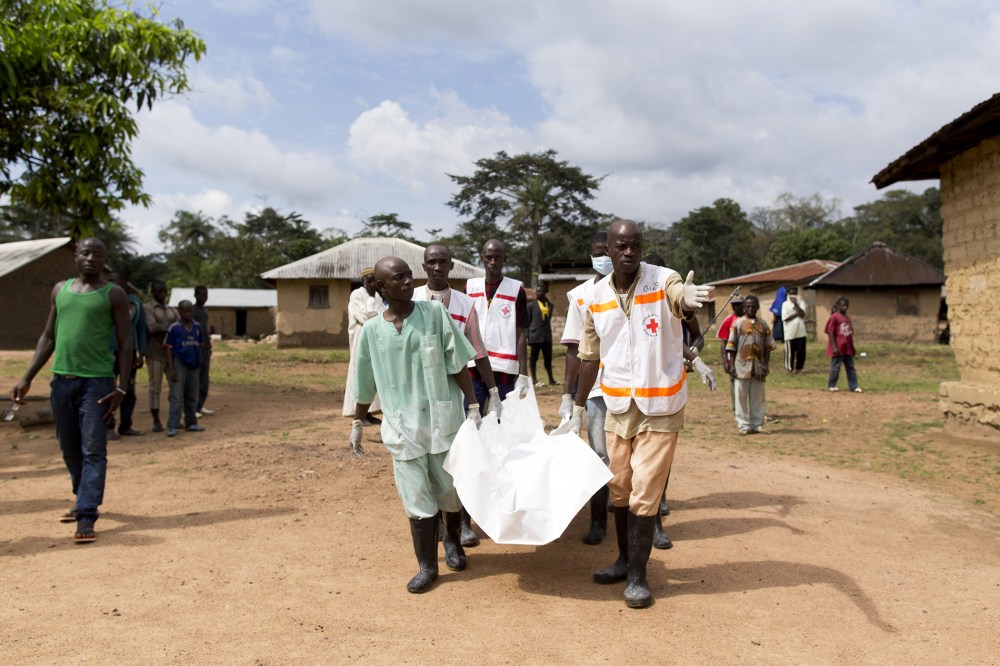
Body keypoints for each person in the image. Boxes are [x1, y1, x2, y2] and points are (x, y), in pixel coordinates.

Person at [561, 219, 713, 609]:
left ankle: (638, 577)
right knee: (620, 487)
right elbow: (589, 357)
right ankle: (623, 560)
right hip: (617, 405)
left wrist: (689, 297)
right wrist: (576, 406)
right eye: (621, 247)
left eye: (636, 246)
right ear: (607, 251)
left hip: (661, 405)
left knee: (645, 490)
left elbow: (679, 296)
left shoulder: (663, 279)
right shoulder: (594, 297)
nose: (629, 253)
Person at [349, 256, 488, 594]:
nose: (408, 282)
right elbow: (364, 380)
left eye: (410, 276)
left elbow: (456, 361)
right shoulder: (371, 331)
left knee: (449, 493)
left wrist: (473, 404)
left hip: (442, 421)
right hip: (400, 427)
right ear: (382, 287)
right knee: (416, 499)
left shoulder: (434, 314)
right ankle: (427, 566)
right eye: (399, 278)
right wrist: (357, 421)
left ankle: (452, 542)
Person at [10, 238, 132, 544]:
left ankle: (88, 513)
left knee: (93, 448)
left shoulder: (113, 294)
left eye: (98, 254)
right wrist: (27, 377)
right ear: (75, 256)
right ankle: (82, 498)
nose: (91, 258)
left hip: (97, 382)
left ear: (105, 260)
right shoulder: (60, 290)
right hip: (61, 381)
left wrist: (122, 387)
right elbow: (48, 337)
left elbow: (126, 343)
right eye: (85, 253)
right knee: (68, 446)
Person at [413, 242, 503, 547]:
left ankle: (460, 526)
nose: (438, 267)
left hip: (454, 396)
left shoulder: (466, 305)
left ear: (452, 266)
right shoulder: (409, 300)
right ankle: (435, 523)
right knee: (424, 461)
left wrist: (492, 391)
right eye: (432, 262)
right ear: (424, 267)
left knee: (457, 460)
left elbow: (478, 351)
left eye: (443, 262)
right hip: (418, 396)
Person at [559, 232, 612, 545]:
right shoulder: (579, 296)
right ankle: (598, 521)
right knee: (600, 455)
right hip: (595, 389)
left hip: (633, 388)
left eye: (608, 251)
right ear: (590, 255)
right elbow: (572, 348)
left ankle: (644, 518)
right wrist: (568, 394)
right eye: (598, 252)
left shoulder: (634, 291)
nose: (604, 257)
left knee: (634, 456)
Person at [465, 239, 530, 408]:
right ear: (482, 258)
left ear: (504, 259)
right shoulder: (470, 287)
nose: (493, 261)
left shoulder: (516, 289)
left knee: (502, 420)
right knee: (471, 416)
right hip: (474, 365)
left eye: (497, 257)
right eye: (489, 257)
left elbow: (520, 331)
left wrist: (523, 372)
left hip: (504, 368)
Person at [726, 295, 776, 435]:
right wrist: (731, 366)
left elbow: (768, 348)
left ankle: (757, 424)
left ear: (757, 308)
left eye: (753, 306)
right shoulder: (737, 324)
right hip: (741, 366)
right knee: (741, 396)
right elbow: (731, 346)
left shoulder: (763, 325)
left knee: (757, 397)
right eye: (747, 306)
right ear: (744, 307)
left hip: (758, 367)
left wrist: (766, 364)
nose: (750, 308)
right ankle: (743, 425)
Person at [107, 270, 147, 437]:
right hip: (108, 352)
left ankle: (126, 425)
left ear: (124, 283)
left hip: (129, 352)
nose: (113, 284)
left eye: (116, 281)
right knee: (108, 388)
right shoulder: (104, 301)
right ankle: (108, 426)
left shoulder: (135, 304)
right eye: (110, 281)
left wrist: (141, 353)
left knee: (128, 389)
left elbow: (141, 330)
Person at [343, 268, 385, 425]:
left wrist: (374, 297)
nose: (371, 284)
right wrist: (372, 297)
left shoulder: (376, 296)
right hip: (361, 337)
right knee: (359, 372)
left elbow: (383, 315)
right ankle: (358, 414)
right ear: (363, 282)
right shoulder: (357, 295)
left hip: (374, 337)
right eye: (369, 281)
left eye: (374, 280)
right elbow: (366, 315)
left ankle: (369, 412)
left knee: (373, 373)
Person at [164, 300, 206, 437]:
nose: (188, 314)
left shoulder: (197, 327)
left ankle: (191, 422)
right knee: (177, 396)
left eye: (190, 311)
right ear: (180, 312)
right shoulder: (174, 328)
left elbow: (200, 345)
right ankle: (172, 425)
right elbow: (169, 349)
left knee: (192, 396)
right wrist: (171, 369)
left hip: (193, 364)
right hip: (179, 363)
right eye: (185, 311)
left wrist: (199, 361)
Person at [144, 279, 178, 432]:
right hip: (155, 353)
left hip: (171, 355)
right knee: (155, 388)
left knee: (175, 387)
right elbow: (151, 328)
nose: (162, 294)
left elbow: (179, 327)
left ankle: (175, 418)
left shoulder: (171, 309)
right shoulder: (148, 308)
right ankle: (156, 421)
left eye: (164, 291)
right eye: (158, 291)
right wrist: (170, 329)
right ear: (152, 292)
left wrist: (166, 330)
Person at [825, 296, 862, 393]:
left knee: (850, 366)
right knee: (836, 366)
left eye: (846, 305)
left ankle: (853, 386)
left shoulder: (847, 318)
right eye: (843, 305)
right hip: (839, 347)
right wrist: (834, 346)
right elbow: (830, 332)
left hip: (847, 347)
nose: (845, 307)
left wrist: (852, 347)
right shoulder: (834, 317)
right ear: (838, 306)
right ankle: (832, 385)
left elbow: (850, 333)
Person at [717, 296, 745, 414]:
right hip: (733, 356)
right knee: (734, 381)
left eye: (739, 304)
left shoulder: (748, 318)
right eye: (734, 305)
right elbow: (723, 342)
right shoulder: (729, 320)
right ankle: (736, 408)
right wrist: (725, 362)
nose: (736, 307)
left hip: (747, 356)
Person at [527, 283, 558, 387]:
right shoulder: (531, 306)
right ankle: (534, 380)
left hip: (546, 337)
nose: (538, 293)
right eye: (537, 291)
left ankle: (551, 379)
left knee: (548, 359)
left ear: (545, 293)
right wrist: (528, 337)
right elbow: (527, 322)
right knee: (533, 358)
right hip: (535, 336)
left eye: (540, 291)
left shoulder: (550, 305)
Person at [193, 285, 214, 416]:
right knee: (195, 380)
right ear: (195, 295)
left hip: (206, 348)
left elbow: (204, 329)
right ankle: (192, 408)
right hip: (196, 349)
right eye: (201, 295)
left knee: (204, 381)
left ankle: (200, 406)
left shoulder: (205, 311)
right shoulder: (192, 311)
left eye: (206, 295)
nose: (204, 298)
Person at [781, 286, 808, 373]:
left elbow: (803, 314)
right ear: (788, 294)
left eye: (795, 293)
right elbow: (785, 318)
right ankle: (789, 368)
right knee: (790, 352)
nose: (793, 295)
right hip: (790, 332)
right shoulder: (785, 304)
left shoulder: (801, 302)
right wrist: (796, 313)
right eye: (791, 293)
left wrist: (796, 305)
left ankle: (799, 368)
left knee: (801, 352)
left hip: (800, 331)